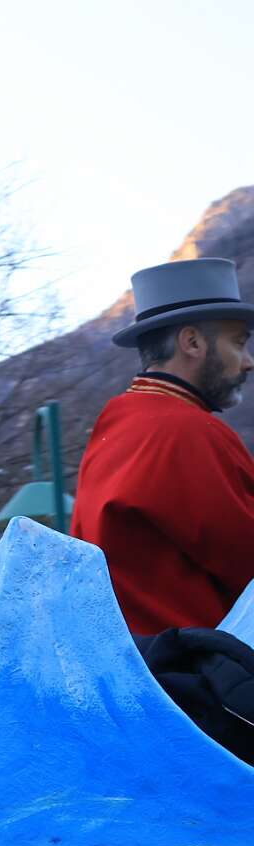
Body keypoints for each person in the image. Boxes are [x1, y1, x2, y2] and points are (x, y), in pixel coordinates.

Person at [71, 257, 254, 634]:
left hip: (132, 656)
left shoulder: (119, 420)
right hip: (197, 663)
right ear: (192, 342)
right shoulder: (187, 431)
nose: (248, 362)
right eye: (238, 343)